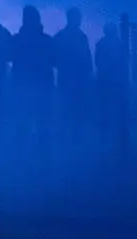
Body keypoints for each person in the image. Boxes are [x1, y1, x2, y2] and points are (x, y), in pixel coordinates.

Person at [10, 6, 55, 135]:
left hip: (22, 84)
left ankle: (22, 152)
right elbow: (55, 61)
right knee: (42, 123)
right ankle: (41, 152)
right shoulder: (47, 40)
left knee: (23, 123)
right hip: (42, 85)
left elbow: (7, 55)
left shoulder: (17, 39)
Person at [93, 18, 130, 154]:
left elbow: (98, 63)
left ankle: (105, 140)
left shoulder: (101, 45)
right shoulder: (121, 45)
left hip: (105, 83)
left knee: (105, 111)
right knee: (120, 112)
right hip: (117, 83)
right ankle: (122, 141)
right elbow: (125, 63)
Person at [54, 8, 94, 134]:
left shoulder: (60, 36)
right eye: (78, 18)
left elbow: (53, 59)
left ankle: (67, 135)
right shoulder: (82, 37)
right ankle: (75, 135)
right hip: (77, 78)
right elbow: (87, 59)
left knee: (67, 107)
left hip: (66, 77)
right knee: (76, 108)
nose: (79, 20)